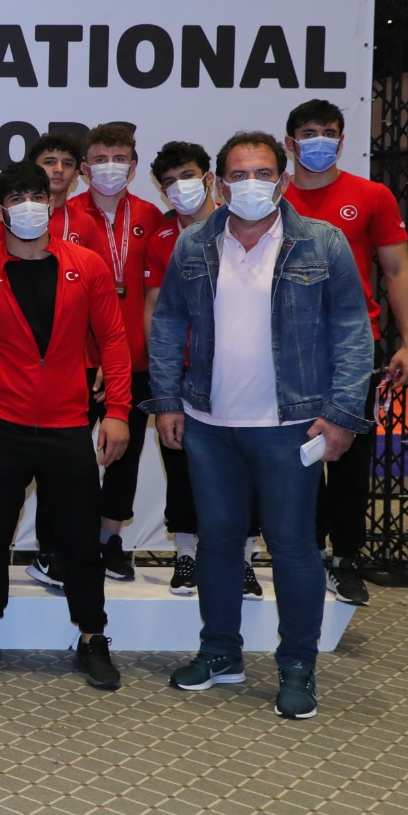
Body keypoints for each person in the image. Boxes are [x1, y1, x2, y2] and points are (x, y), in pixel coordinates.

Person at [151, 131, 371, 721]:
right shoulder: (194, 242)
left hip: (291, 425)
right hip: (208, 423)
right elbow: (168, 322)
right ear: (221, 184)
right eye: (239, 174)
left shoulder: (323, 242)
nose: (252, 184)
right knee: (219, 541)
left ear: (283, 179)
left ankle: (297, 665)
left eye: (263, 173)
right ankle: (220, 651)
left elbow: (353, 331)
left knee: (293, 545)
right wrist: (167, 401)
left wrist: (342, 413)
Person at [0, 163, 131, 690]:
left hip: (67, 424)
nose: (29, 204)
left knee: (80, 539)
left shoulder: (87, 265)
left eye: (36, 194)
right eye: (16, 197)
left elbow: (114, 340)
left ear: (52, 202)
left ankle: (93, 636)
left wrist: (118, 411)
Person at [281, 99, 408, 606]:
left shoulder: (371, 195)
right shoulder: (271, 195)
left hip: (352, 347)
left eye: (329, 132)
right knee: (293, 457)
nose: (319, 140)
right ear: (290, 143)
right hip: (286, 347)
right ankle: (305, 553)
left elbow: (397, 270)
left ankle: (344, 559)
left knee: (348, 459)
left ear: (341, 141)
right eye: (308, 132)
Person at [145, 141, 263, 599]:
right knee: (181, 466)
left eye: (188, 176)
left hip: (238, 370)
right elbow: (156, 311)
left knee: (247, 468)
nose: (181, 187)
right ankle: (186, 556)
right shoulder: (161, 239)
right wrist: (162, 376)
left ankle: (243, 561)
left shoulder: (241, 227)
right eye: (170, 181)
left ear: (210, 179)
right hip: (184, 372)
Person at [51, 122, 168, 583]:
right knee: (69, 459)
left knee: (125, 455)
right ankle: (69, 541)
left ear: (134, 166)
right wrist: (95, 356)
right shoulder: (65, 216)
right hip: (77, 360)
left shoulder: (151, 217)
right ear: (84, 168)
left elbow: (159, 294)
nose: (110, 168)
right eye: (100, 160)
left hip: (134, 359)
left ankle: (110, 540)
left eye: (119, 159)